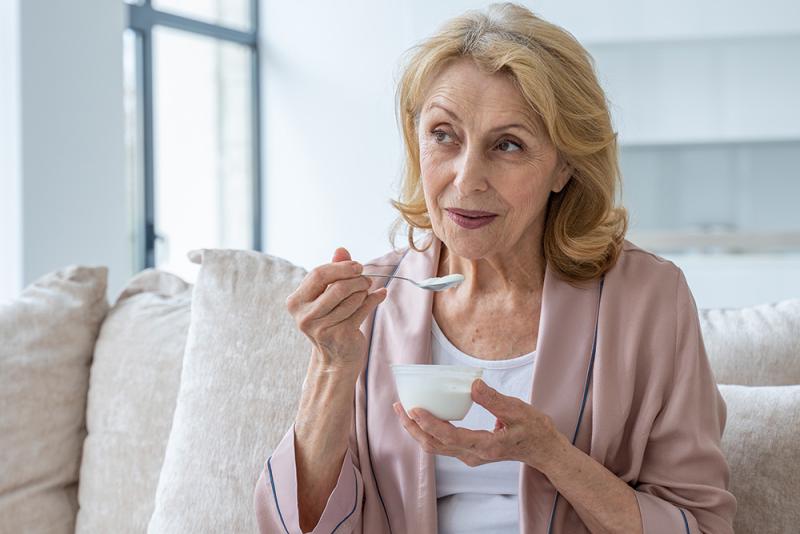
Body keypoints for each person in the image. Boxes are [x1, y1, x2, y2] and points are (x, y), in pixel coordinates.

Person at [253, 3, 737, 533]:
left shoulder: (647, 298)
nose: (466, 180)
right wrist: (331, 365)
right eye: (443, 135)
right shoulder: (373, 303)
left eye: (508, 144)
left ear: (565, 166)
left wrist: (551, 454)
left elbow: (700, 525)